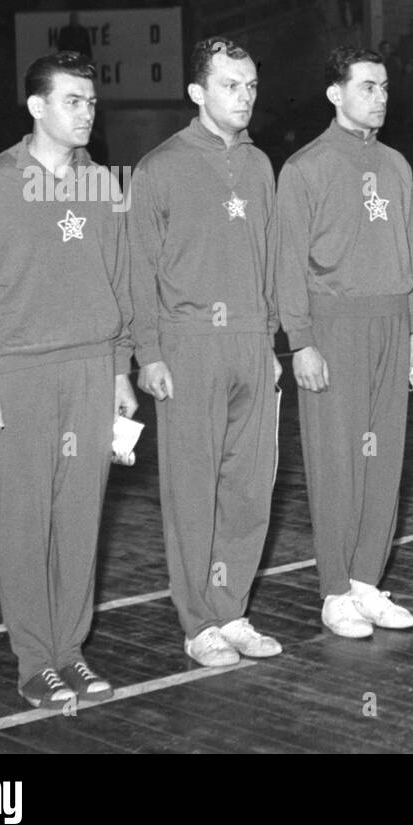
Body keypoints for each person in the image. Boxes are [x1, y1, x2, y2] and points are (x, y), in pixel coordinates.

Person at [0, 52, 135, 708]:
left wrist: (119, 371)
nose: (87, 112)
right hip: (18, 375)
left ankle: (69, 651)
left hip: (89, 371)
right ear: (36, 107)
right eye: (73, 101)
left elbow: (121, 286)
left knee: (80, 519)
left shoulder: (104, 187)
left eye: (91, 102)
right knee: (25, 521)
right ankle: (34, 660)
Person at [128, 36, 284, 666]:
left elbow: (269, 261)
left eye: (250, 86)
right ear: (197, 92)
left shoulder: (260, 165)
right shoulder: (158, 167)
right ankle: (198, 623)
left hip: (250, 341)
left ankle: (232, 610)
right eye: (229, 85)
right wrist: (149, 354)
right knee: (193, 489)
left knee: (248, 490)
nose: (243, 97)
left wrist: (270, 342)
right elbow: (138, 270)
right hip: (189, 346)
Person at [276, 47, 413, 638]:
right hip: (335, 329)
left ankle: (367, 580)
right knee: (338, 462)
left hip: (391, 323)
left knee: (383, 458)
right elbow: (288, 265)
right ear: (335, 94)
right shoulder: (304, 168)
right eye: (368, 87)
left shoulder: (396, 164)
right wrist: (303, 341)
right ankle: (335, 589)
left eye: (385, 87)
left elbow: (412, 251)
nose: (381, 97)